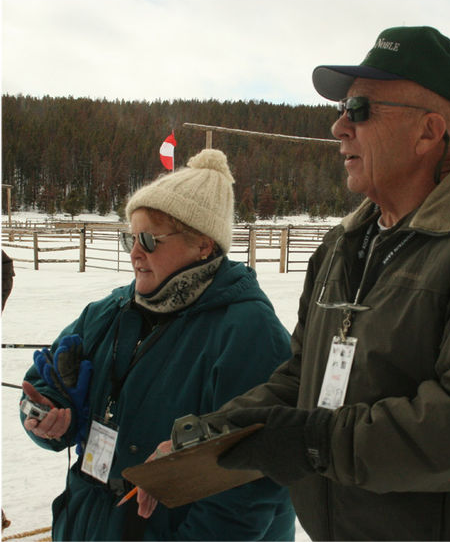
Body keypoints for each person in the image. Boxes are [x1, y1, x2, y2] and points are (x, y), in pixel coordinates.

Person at [140, 27, 450, 540]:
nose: (338, 126)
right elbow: (301, 378)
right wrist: (213, 435)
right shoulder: (341, 247)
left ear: (427, 132)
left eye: (359, 108)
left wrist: (315, 443)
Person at [20, 149, 296, 541]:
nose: (134, 254)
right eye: (129, 238)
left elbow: (249, 491)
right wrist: (46, 417)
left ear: (203, 245)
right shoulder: (108, 313)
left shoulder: (248, 333)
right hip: (93, 521)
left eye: (149, 240)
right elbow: (40, 386)